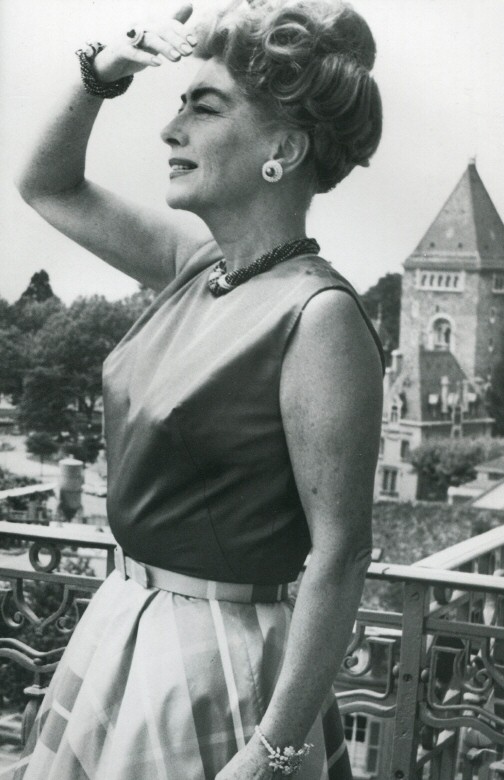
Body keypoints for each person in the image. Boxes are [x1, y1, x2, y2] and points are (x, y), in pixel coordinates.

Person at [10, 1, 384, 777]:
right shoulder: (198, 264)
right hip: (125, 626)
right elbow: (47, 187)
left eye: (203, 107)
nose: (169, 129)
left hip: (219, 666)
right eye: (179, 103)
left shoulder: (319, 317)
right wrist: (100, 72)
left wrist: (271, 751)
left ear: (282, 148)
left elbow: (341, 554)